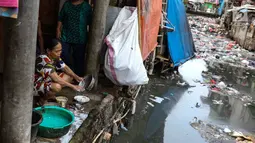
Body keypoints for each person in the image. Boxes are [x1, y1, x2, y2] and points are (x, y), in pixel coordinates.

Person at [57, 0, 92, 76]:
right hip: (66, 35)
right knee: (63, 54)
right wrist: (58, 29)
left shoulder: (86, 7)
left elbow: (90, 22)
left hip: (80, 37)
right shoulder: (67, 4)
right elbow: (60, 18)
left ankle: (78, 78)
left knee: (79, 58)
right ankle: (64, 75)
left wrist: (90, 36)